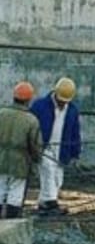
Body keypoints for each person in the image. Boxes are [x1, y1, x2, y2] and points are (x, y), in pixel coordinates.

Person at [30, 77, 82, 216]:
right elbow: (31, 125)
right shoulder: (40, 106)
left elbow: (75, 132)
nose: (62, 103)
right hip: (43, 147)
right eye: (61, 100)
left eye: (65, 101)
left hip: (62, 149)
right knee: (48, 172)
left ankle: (43, 202)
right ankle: (50, 203)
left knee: (58, 177)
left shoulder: (72, 110)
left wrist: (75, 153)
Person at [0, 82, 42, 219]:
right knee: (15, 194)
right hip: (20, 163)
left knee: (0, 190)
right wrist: (36, 160)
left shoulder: (2, 113)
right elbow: (35, 146)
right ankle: (10, 225)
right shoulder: (31, 120)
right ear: (29, 100)